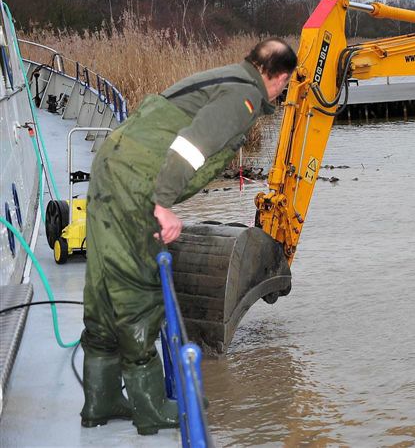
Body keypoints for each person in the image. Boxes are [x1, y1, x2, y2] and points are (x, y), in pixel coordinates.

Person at [79, 38, 297, 435]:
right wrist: (162, 203)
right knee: (137, 286)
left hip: (114, 163)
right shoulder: (244, 95)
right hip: (136, 181)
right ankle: (148, 406)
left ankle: (101, 397)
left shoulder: (227, 76)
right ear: (279, 78)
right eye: (284, 85)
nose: (282, 91)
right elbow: (191, 146)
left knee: (103, 283)